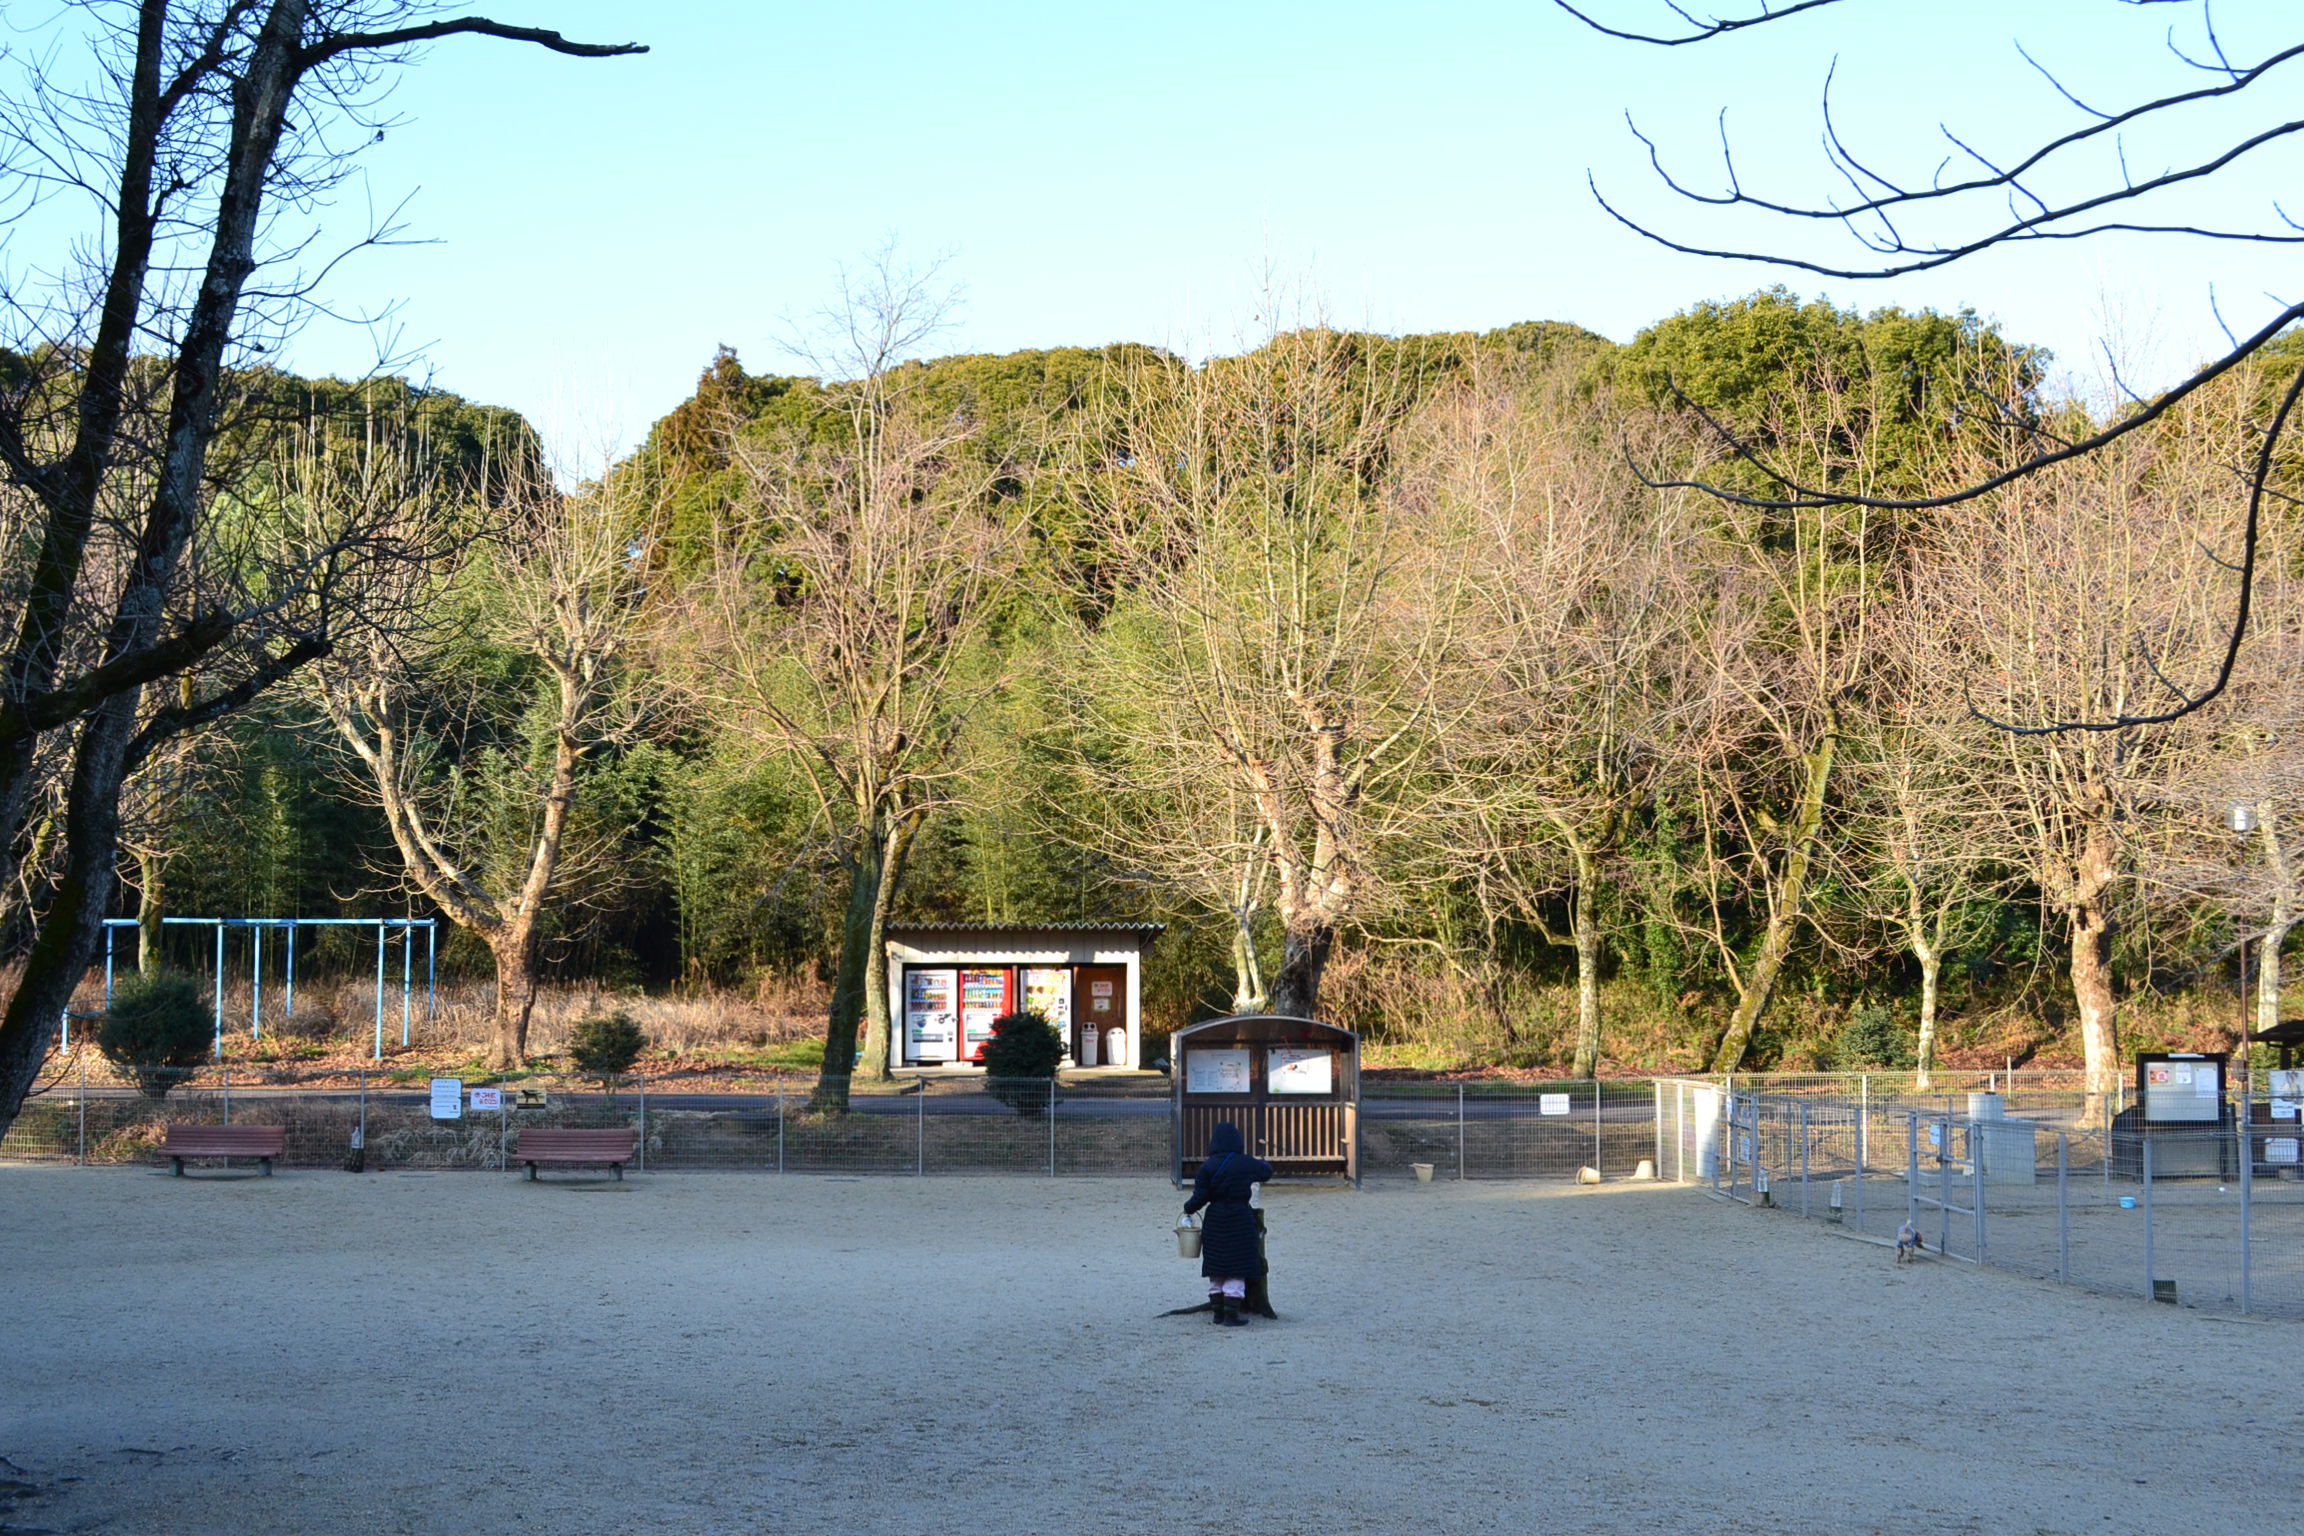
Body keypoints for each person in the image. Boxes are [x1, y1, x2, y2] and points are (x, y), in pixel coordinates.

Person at [1183, 1121, 1273, 1326]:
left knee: (1217, 1266)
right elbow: (1265, 1172)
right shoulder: (1246, 1162)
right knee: (1236, 1267)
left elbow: (1200, 1196)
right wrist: (1265, 1163)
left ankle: (1217, 1312)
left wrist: (1187, 1208)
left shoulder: (1208, 1166)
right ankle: (1231, 1315)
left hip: (1214, 1219)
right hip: (1240, 1218)